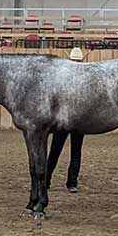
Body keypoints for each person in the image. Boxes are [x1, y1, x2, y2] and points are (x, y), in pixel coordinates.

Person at [46, 47, 85, 193]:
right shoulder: (84, 77)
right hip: (78, 119)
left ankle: (48, 179)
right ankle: (71, 182)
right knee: (75, 151)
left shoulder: (64, 76)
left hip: (64, 119)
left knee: (56, 150)